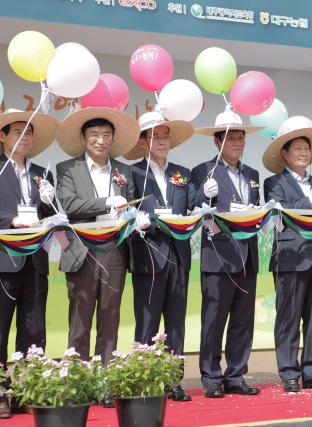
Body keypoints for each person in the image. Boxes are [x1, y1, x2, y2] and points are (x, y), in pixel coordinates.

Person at [0, 109, 59, 418]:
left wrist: (50, 202)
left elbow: (53, 220)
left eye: (30, 132)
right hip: (1, 260)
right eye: (18, 131)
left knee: (34, 330)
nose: (25, 137)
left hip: (35, 261)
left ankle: (27, 390)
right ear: (3, 136)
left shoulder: (41, 174)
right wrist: (12, 219)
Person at [55, 107, 140, 403]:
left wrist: (133, 215)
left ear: (113, 139)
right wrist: (106, 202)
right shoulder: (67, 169)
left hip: (115, 250)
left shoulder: (123, 171)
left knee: (110, 318)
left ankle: (105, 383)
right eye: (95, 135)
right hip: (82, 251)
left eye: (106, 135)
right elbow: (68, 203)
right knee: (79, 320)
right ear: (83, 137)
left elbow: (129, 206)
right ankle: (77, 385)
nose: (101, 141)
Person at [189, 108, 263, 398]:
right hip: (217, 258)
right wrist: (204, 195)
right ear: (217, 142)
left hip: (248, 256)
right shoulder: (202, 171)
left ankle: (236, 375)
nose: (237, 143)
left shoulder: (253, 174)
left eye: (241, 138)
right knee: (214, 320)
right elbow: (192, 206)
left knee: (243, 321)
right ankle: (210, 377)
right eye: (231, 138)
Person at [122, 111, 195, 402]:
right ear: (142, 142)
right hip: (149, 254)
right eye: (155, 137)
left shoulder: (182, 173)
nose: (162, 141)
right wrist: (138, 218)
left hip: (178, 253)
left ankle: (173, 380)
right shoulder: (133, 173)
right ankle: (147, 380)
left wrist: (207, 201)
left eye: (165, 136)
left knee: (176, 322)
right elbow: (127, 210)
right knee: (148, 321)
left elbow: (190, 206)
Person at [263, 119, 312, 393]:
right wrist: (311, 203)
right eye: (298, 149)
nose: (304, 153)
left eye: (307, 149)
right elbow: (281, 208)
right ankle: (289, 373)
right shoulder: (274, 182)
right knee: (289, 317)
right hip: (290, 257)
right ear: (285, 153)